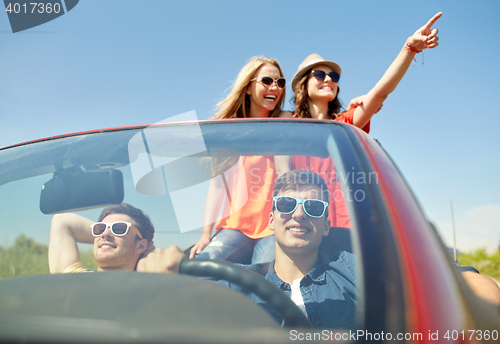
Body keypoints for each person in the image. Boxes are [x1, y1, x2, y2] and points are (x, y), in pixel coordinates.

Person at [276, 13, 442, 228]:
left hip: (344, 225)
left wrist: (409, 48)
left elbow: (380, 93)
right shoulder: (288, 124)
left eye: (334, 77)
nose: (328, 79)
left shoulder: (345, 123)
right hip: (300, 224)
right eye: (319, 74)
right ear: (303, 85)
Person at [219, 169, 359, 329]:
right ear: (271, 220)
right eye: (286, 204)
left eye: (313, 207)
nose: (299, 214)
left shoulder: (352, 271)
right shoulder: (236, 282)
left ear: (326, 227)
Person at [188, 57, 286, 264]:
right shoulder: (229, 129)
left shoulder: (285, 125)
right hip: (234, 228)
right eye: (267, 81)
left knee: (264, 280)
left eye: (280, 82)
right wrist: (206, 235)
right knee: (203, 268)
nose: (275, 88)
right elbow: (217, 185)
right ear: (248, 87)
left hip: (272, 229)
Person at [48, 203, 181, 273]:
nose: (105, 234)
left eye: (119, 229)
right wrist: (107, 236)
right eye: (101, 228)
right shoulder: (74, 278)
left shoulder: (149, 285)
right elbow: (61, 220)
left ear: (141, 245)